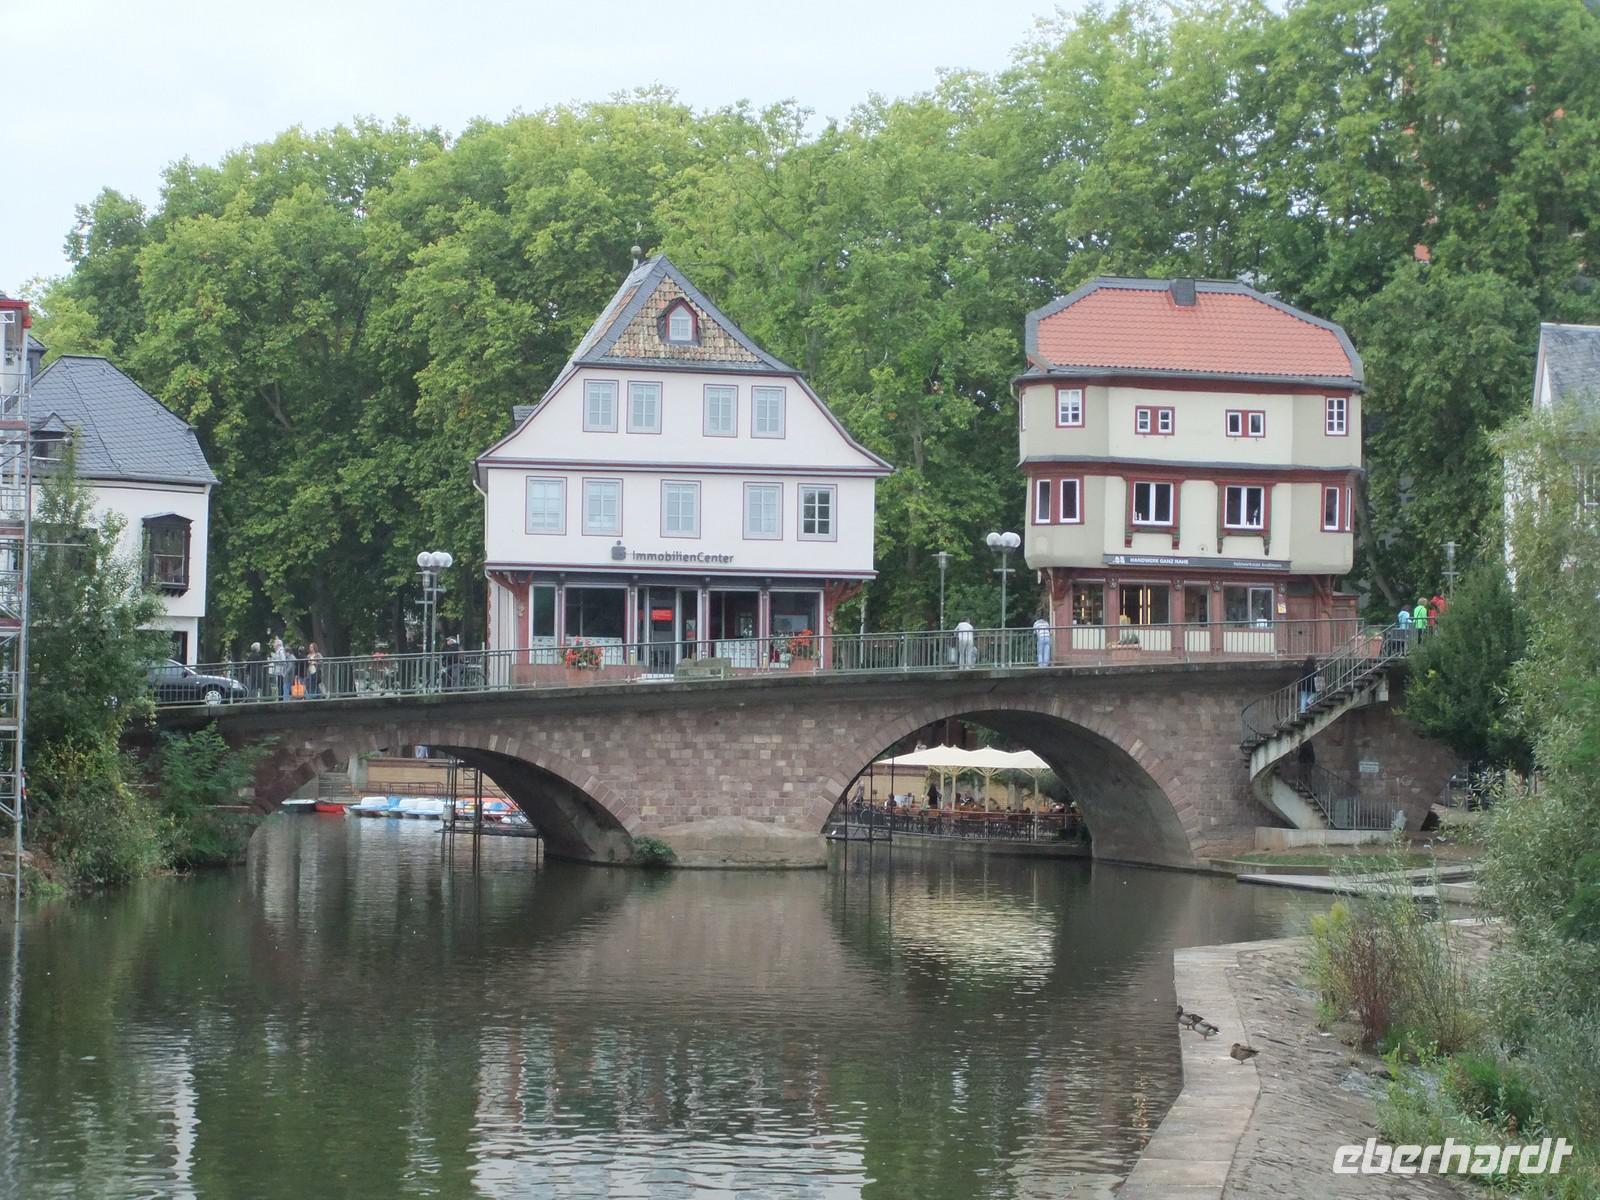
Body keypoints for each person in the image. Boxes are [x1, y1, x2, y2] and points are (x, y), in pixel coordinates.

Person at [269, 637, 292, 701]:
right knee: (280, 685)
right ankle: (280, 698)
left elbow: (283, 661)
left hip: (281, 672)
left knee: (281, 685)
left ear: (278, 645)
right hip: (279, 671)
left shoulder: (281, 651)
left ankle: (281, 699)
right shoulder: (279, 651)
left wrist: (275, 661)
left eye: (274, 644)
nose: (273, 645)